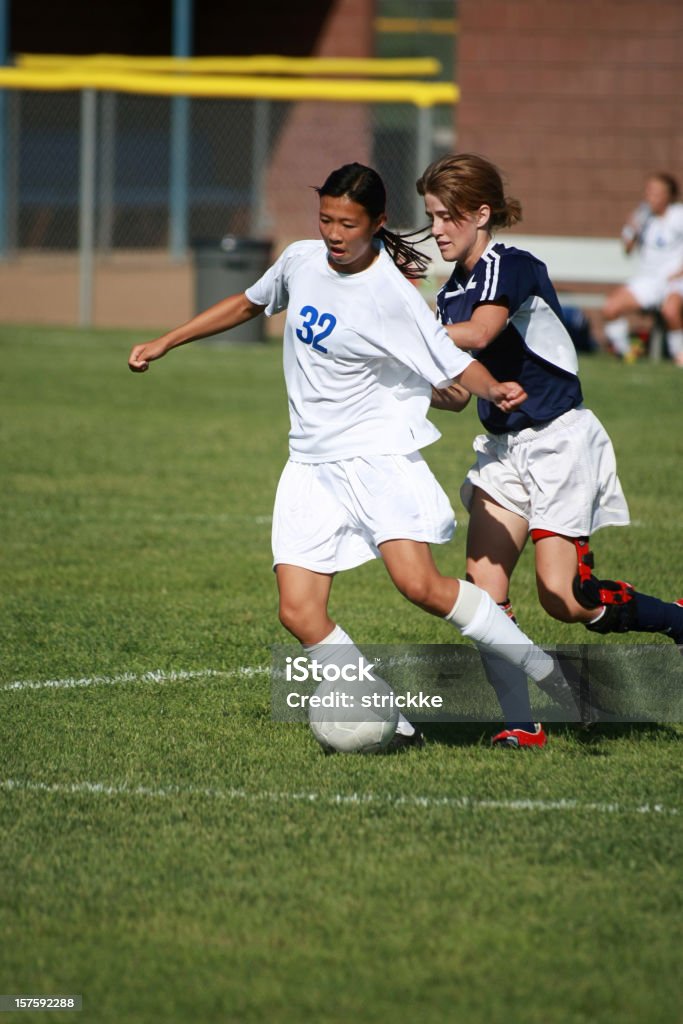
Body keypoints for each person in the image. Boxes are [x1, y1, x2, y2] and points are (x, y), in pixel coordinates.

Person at [129, 161, 573, 751]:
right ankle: (390, 721)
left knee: (419, 586)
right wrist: (166, 341)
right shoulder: (300, 260)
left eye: (347, 223)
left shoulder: (392, 293)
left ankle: (542, 668)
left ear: (376, 223)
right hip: (309, 465)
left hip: (374, 461)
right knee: (299, 612)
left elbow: (452, 363)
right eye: (325, 220)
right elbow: (246, 302)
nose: (334, 234)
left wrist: (494, 389)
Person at [416, 152, 683, 746]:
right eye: (430, 216)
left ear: (481, 214)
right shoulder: (450, 293)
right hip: (502, 451)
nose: (435, 229)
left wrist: (399, 327)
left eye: (445, 217)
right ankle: (521, 724)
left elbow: (483, 333)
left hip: (560, 441)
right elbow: (458, 395)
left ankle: (676, 619)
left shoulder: (511, 265)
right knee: (484, 592)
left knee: (565, 597)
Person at [601, 172, 683, 362]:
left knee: (670, 311)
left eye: (656, 193)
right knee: (610, 308)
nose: (650, 197)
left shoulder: (678, 215)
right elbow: (627, 250)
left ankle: (678, 356)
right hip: (648, 279)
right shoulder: (643, 215)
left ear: (668, 195)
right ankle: (625, 353)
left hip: (676, 279)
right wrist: (633, 229)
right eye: (649, 192)